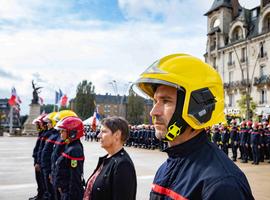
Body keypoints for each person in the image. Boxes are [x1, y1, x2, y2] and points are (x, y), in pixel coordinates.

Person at [134, 54, 254, 199]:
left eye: (166, 101)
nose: (154, 112)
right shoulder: (165, 168)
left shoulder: (221, 184)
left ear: (197, 108)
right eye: (155, 101)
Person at [83, 116, 137, 200]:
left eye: (104, 132)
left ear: (117, 135)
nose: (98, 135)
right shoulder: (108, 159)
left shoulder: (122, 165)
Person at [54, 116, 85, 200]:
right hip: (65, 191)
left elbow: (74, 176)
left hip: (70, 194)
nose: (60, 133)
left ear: (72, 132)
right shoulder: (70, 145)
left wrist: (70, 196)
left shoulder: (75, 150)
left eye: (63, 131)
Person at [29, 114, 47, 200]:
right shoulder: (42, 133)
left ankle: (41, 196)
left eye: (39, 124)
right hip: (38, 161)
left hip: (40, 163)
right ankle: (39, 195)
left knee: (42, 182)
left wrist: (39, 162)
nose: (38, 126)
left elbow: (43, 150)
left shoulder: (46, 134)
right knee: (39, 181)